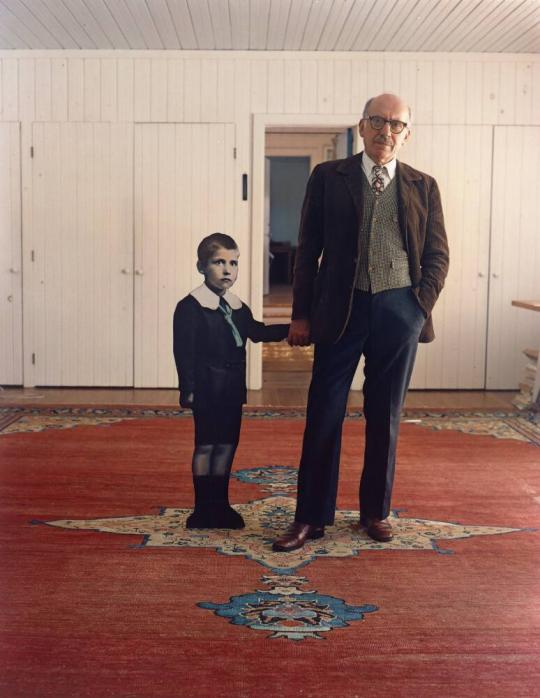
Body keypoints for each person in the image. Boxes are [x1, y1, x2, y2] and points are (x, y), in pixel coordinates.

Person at [273, 93, 449, 552]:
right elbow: (307, 248)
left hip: (399, 311)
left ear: (406, 133)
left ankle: (375, 512)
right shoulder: (329, 176)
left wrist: (417, 308)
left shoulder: (423, 186)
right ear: (361, 125)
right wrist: (301, 314)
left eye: (396, 125)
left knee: (384, 416)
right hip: (340, 311)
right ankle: (310, 518)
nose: (385, 131)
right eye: (378, 121)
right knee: (324, 412)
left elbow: (437, 256)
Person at [173, 233, 289, 529]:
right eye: (218, 262)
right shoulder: (190, 307)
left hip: (231, 388)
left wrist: (296, 329)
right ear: (201, 267)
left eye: (233, 263)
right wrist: (188, 389)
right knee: (206, 446)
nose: (227, 270)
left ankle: (220, 505)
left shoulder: (237, 307)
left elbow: (258, 332)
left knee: (227, 444)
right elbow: (183, 352)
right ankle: (202, 508)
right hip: (206, 387)